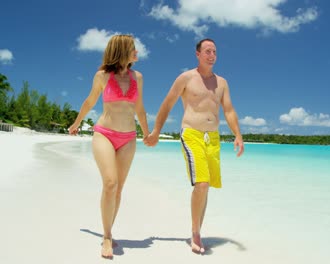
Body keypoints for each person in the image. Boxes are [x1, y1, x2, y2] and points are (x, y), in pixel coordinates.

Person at [145, 38, 244, 254]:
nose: (212, 55)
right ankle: (195, 232)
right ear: (197, 54)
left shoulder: (222, 83)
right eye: (207, 51)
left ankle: (198, 229)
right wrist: (156, 132)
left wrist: (238, 134)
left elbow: (228, 110)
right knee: (201, 184)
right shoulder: (186, 78)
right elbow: (167, 103)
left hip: (213, 138)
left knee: (206, 186)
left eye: (214, 51)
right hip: (191, 134)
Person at [68, 34, 150, 259]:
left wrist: (147, 133)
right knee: (110, 183)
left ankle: (109, 231)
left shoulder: (138, 77)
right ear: (122, 50)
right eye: (133, 49)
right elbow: (89, 101)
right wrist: (76, 123)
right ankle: (106, 236)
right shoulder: (103, 76)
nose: (137, 53)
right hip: (104, 134)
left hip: (129, 137)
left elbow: (140, 109)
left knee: (119, 188)